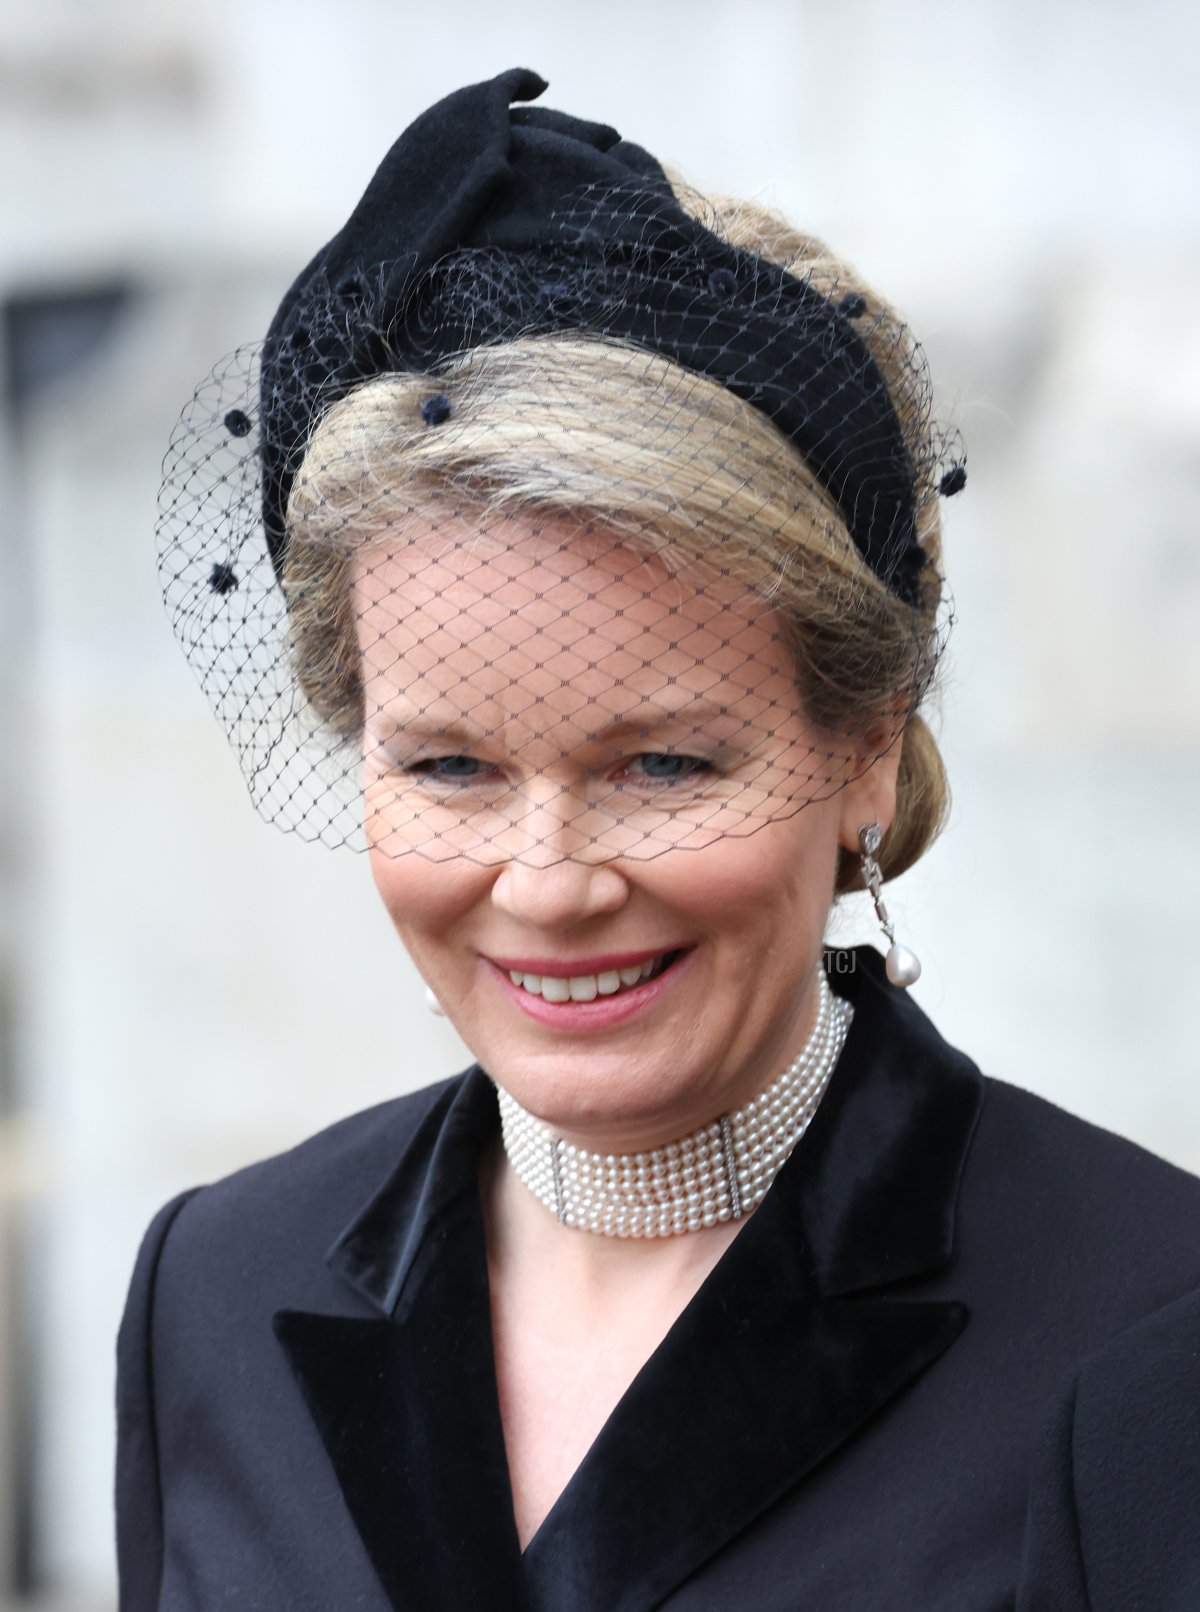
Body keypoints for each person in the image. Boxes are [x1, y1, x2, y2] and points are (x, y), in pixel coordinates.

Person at [121, 69, 1200, 1610]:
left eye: (663, 764)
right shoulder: (215, 1292)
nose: (549, 882)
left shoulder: (1154, 1333)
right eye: (450, 766)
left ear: (865, 747)